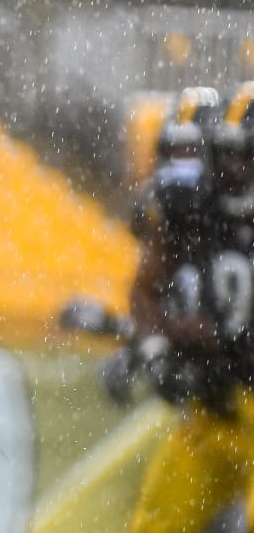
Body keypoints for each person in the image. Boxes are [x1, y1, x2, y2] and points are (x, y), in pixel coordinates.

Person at [127, 84, 254, 533]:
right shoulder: (191, 206)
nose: (236, 169)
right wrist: (157, 348)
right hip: (213, 411)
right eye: (228, 154)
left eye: (248, 156)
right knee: (156, 524)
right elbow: (145, 290)